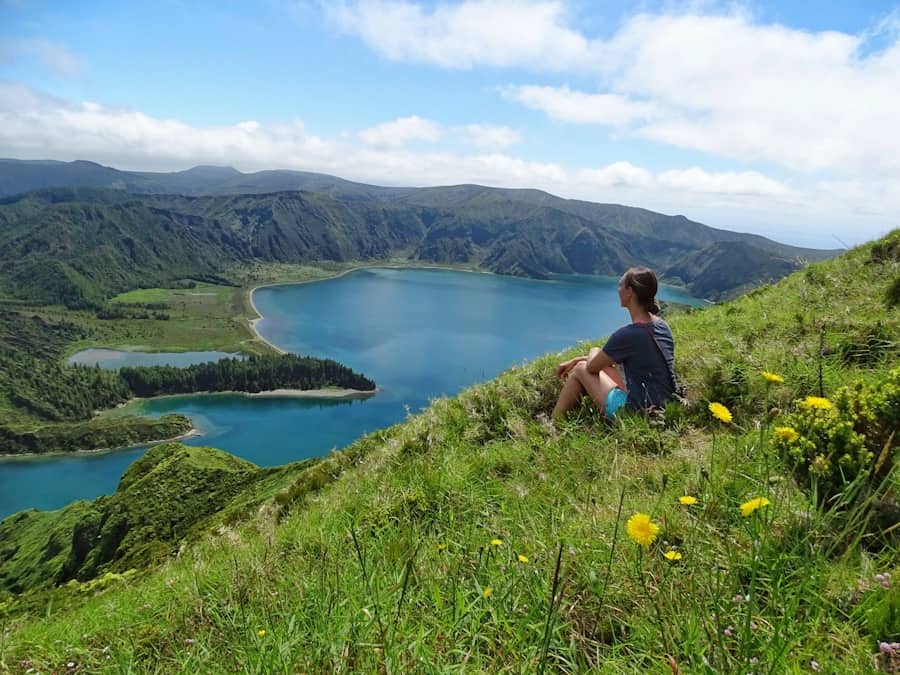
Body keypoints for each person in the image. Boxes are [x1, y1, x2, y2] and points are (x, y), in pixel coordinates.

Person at [552, 266, 677, 420]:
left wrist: (594, 349)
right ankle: (563, 418)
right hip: (666, 404)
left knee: (580, 369)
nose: (618, 290)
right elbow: (609, 361)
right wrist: (577, 358)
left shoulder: (627, 335)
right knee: (598, 367)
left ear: (630, 291)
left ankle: (553, 423)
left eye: (620, 285)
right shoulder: (662, 326)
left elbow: (592, 367)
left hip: (637, 413)